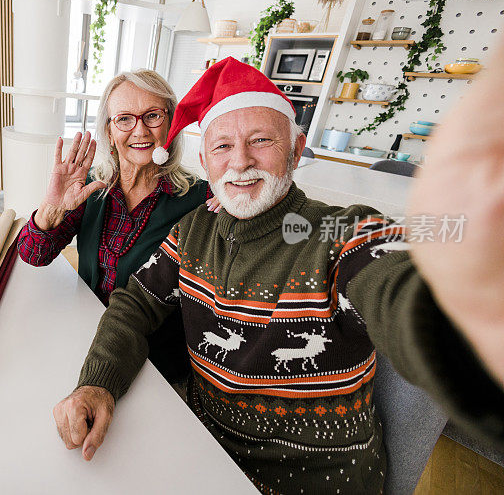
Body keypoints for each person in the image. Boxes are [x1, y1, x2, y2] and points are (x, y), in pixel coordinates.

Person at [52, 56, 504, 494]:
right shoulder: (193, 228)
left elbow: (399, 287)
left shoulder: (339, 231)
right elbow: (136, 303)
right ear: (206, 160)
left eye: (261, 141)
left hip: (309, 480)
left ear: (296, 148)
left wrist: (473, 306)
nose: (240, 161)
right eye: (223, 146)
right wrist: (99, 382)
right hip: (200, 445)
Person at [17, 69, 217, 384]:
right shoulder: (89, 185)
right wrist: (51, 208)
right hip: (85, 334)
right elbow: (33, 255)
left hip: (155, 360)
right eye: (124, 119)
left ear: (171, 124)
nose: (139, 130)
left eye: (152, 115)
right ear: (110, 131)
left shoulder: (201, 198)